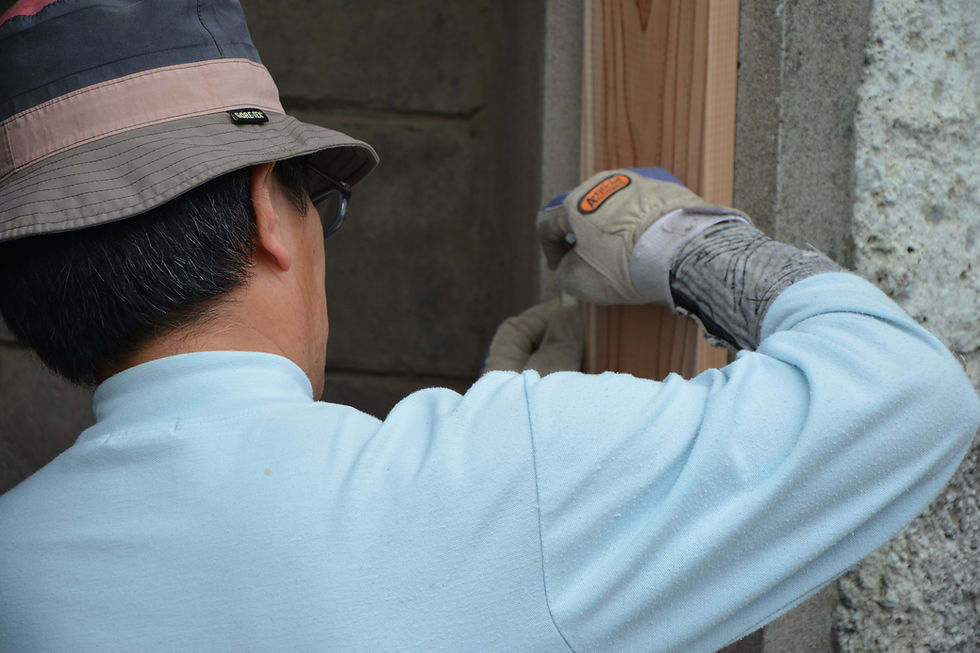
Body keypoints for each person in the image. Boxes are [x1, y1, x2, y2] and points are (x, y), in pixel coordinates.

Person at [0, 1, 976, 651]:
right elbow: (903, 391)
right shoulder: (493, 476)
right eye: (317, 205)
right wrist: (682, 245)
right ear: (267, 210)